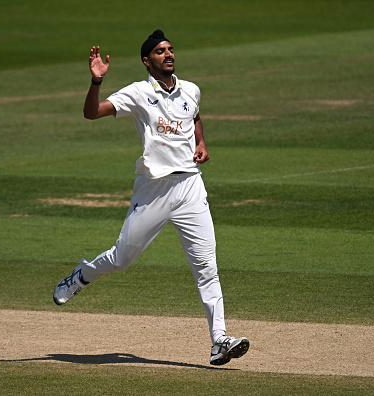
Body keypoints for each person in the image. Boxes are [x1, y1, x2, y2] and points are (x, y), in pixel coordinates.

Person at [53, 29, 249, 366]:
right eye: (160, 51)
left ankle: (219, 341)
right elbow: (92, 113)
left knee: (206, 266)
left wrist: (200, 143)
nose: (169, 54)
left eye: (171, 49)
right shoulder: (139, 93)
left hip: (190, 187)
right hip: (154, 190)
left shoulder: (191, 89)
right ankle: (82, 275)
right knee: (122, 258)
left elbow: (195, 116)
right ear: (147, 60)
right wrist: (96, 82)